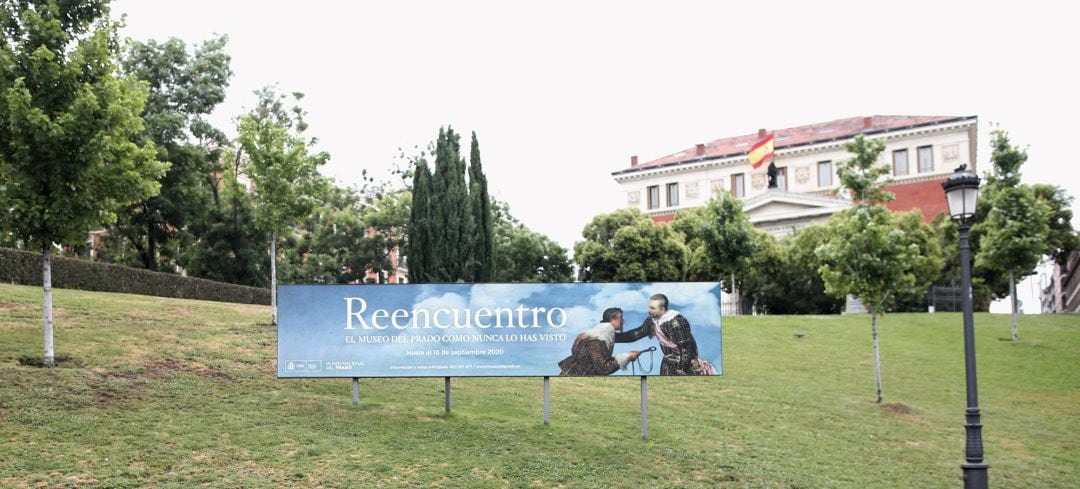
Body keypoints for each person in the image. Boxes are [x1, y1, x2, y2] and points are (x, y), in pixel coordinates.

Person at [616, 293, 711, 375]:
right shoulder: (652, 320)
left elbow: (686, 349)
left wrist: (681, 369)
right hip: (668, 361)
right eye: (649, 307)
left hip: (687, 363)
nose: (649, 310)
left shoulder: (676, 322)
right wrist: (613, 337)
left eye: (652, 308)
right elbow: (637, 333)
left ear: (662, 309)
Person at [558, 307, 643, 376]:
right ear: (612, 319)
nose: (623, 321)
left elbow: (627, 337)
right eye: (621, 318)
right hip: (575, 379)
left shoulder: (603, 333)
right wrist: (627, 356)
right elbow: (604, 368)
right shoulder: (598, 339)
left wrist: (647, 326)